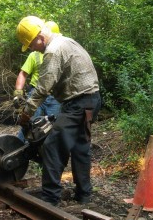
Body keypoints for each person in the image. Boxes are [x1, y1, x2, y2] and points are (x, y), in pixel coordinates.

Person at [16, 16, 102, 206]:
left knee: (52, 147)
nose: (31, 49)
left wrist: (27, 113)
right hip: (91, 101)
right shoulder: (67, 41)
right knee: (80, 148)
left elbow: (43, 88)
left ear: (39, 37)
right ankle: (83, 195)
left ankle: (49, 200)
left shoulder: (53, 51)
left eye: (30, 45)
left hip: (78, 104)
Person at [14, 21, 61, 142]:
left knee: (53, 129)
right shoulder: (34, 55)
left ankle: (45, 155)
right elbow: (23, 73)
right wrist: (18, 93)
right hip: (36, 94)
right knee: (29, 126)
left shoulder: (58, 52)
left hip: (55, 97)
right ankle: (17, 150)